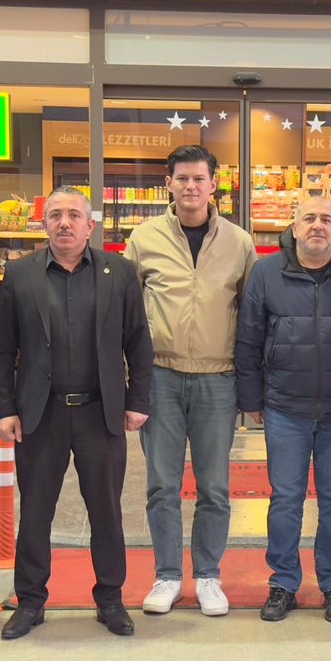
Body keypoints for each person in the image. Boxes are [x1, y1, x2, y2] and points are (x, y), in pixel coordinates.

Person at [0, 189, 152, 640]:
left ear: (90, 225)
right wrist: (5, 408)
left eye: (74, 215)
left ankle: (110, 599)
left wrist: (138, 400)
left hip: (100, 413)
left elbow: (138, 340)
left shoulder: (119, 272)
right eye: (56, 215)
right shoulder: (20, 273)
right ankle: (30, 601)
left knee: (106, 512)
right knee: (35, 512)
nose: (65, 223)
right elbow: (2, 348)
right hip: (40, 414)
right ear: (44, 223)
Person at [130, 145, 255, 618]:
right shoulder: (144, 238)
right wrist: (130, 379)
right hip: (159, 377)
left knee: (214, 487)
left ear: (213, 184)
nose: (190, 186)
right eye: (181, 178)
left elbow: (250, 316)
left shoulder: (239, 243)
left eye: (199, 178)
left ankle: (207, 576)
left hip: (217, 380)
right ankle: (166, 575)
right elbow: (127, 312)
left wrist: (249, 383)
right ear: (168, 183)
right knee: (162, 485)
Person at [235, 197, 331, 625]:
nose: (317, 226)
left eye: (327, 219)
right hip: (284, 407)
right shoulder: (267, 272)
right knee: (285, 499)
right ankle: (283, 583)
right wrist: (251, 399)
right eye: (309, 218)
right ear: (294, 228)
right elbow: (249, 337)